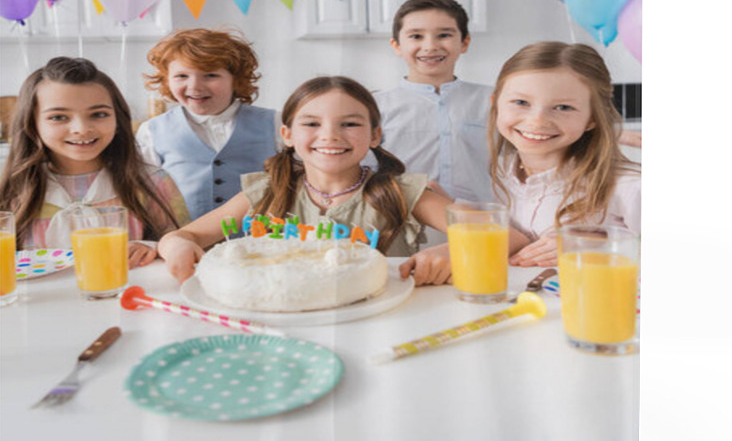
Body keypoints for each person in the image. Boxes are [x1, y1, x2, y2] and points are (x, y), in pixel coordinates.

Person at [159, 75, 530, 285]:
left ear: (374, 135)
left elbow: (510, 235)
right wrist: (176, 248)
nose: (330, 135)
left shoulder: (403, 192)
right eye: (312, 124)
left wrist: (454, 250)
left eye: (350, 123)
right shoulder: (266, 191)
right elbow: (182, 237)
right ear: (287, 134)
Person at [0, 57, 189, 267]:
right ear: (32, 124)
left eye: (98, 114)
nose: (81, 128)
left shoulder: (153, 182)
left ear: (118, 119)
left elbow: (184, 244)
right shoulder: (11, 188)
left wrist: (154, 249)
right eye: (58, 117)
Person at [489, 42, 641, 269]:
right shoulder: (494, 176)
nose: (537, 120)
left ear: (593, 118)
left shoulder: (628, 187)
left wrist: (598, 245)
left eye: (563, 107)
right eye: (521, 102)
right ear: (495, 104)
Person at [137, 28, 278, 221]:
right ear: (167, 80)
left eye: (210, 75)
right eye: (182, 76)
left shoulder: (275, 123)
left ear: (235, 79)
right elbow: (146, 196)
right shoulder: (152, 131)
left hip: (260, 242)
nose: (195, 86)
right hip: (184, 241)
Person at [374, 0, 494, 202]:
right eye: (416, 36)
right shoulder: (375, 107)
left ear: (464, 42)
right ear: (397, 46)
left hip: (479, 223)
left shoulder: (494, 100)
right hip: (402, 223)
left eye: (444, 35)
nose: (430, 46)